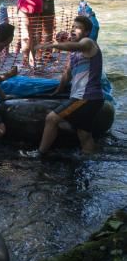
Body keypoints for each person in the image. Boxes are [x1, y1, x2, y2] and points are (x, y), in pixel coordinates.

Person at [22, 15, 104, 157]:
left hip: (85, 97)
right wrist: (57, 91)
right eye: (72, 27)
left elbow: (76, 46)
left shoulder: (88, 43)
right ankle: (91, 158)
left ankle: (40, 154)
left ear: (86, 32)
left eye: (77, 28)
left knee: (52, 118)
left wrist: (52, 45)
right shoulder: (74, 55)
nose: (73, 30)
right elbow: (67, 74)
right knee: (84, 133)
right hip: (93, 98)